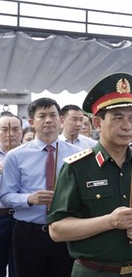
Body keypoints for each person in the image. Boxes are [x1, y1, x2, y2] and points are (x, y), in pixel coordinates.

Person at [47, 73, 132, 276]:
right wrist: (110, 221)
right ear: (97, 123)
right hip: (96, 271)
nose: (127, 126)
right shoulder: (77, 168)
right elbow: (57, 230)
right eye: (117, 118)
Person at [0, 98, 81, 276]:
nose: (49, 120)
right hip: (28, 232)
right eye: (42, 116)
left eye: (53, 115)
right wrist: (29, 198)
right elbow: (5, 195)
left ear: (60, 120)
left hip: (65, 230)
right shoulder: (16, 156)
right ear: (31, 122)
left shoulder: (78, 155)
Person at [0, 113, 23, 277]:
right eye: (4, 129)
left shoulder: (31, 153)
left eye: (15, 129)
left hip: (22, 217)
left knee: (20, 265)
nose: (10, 134)